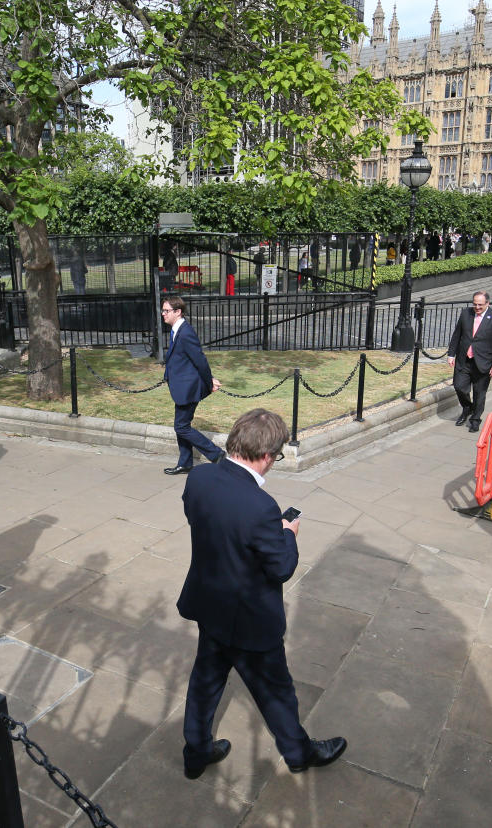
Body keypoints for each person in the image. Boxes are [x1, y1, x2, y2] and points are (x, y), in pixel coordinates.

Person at [177, 408, 346, 779]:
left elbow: (206, 525)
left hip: (210, 604)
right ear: (267, 455)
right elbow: (281, 568)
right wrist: (288, 533)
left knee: (205, 682)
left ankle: (196, 751)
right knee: (277, 692)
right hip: (250, 620)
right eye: (277, 456)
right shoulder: (260, 507)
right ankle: (299, 753)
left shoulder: (199, 478)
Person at [161, 296, 225, 475]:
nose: (163, 313)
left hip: (188, 388)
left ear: (177, 312)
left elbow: (200, 360)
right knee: (180, 425)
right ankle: (185, 463)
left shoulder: (186, 332)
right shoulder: (177, 330)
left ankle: (218, 455)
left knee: (181, 427)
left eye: (166, 310)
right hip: (182, 387)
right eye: (163, 310)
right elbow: (179, 359)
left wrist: (209, 381)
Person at [447, 291, 492, 433]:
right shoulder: (466, 313)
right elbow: (457, 335)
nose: (477, 307)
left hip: (483, 362)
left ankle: (475, 419)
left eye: (480, 304)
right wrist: (451, 354)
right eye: (475, 304)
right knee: (459, 386)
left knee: (480, 393)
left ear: (487, 303)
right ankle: (467, 407)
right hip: (464, 360)